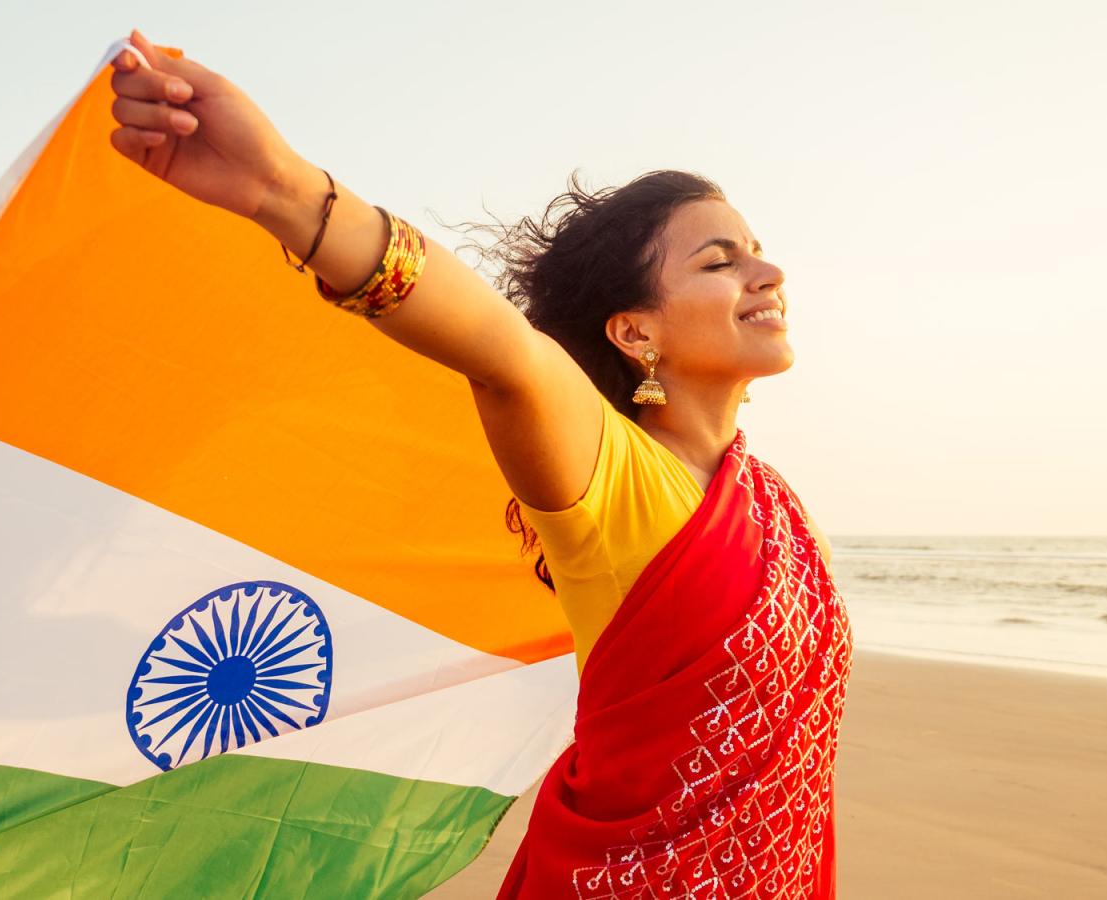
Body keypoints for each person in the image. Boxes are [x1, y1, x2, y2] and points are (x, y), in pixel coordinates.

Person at [108, 29, 853, 899]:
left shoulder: (785, 515)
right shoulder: (609, 480)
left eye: (756, 251)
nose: (767, 273)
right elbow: (502, 351)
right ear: (635, 331)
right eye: (720, 261)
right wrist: (279, 185)